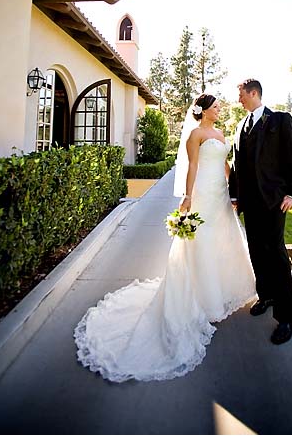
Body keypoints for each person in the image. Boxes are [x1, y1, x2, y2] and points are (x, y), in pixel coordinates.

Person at [74, 94, 256, 382]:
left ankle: (222, 290)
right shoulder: (195, 135)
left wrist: (233, 190)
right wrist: (187, 196)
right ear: (204, 110)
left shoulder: (221, 133)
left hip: (220, 194)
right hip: (202, 195)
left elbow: (226, 166)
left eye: (220, 106)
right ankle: (202, 296)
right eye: (216, 107)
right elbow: (192, 166)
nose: (220, 110)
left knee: (222, 240)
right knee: (201, 243)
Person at [229, 79, 292, 345]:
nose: (238, 99)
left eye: (240, 95)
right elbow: (238, 166)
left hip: (274, 200)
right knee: (256, 251)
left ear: (253, 93)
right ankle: (266, 296)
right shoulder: (240, 126)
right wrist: (235, 195)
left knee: (276, 253)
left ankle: (286, 317)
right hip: (250, 202)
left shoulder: (280, 120)